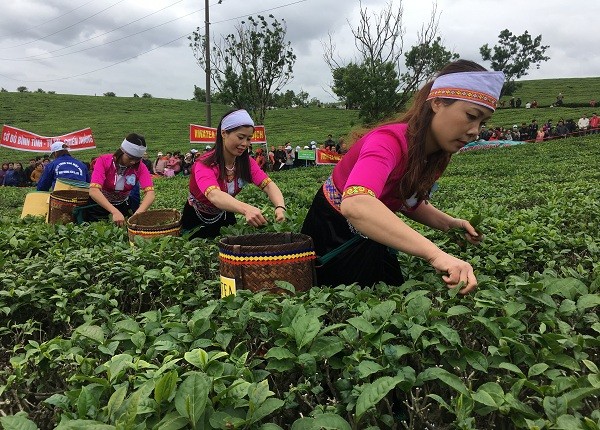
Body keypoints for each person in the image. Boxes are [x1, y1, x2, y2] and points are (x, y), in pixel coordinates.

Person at [301, 59, 504, 294]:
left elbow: (406, 201)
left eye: (482, 122)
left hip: (374, 231)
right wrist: (435, 254)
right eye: (471, 115)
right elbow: (357, 204)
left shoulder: (437, 153)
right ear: (437, 103)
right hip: (333, 232)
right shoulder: (388, 141)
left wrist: (451, 225)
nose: (475, 131)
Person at [181, 109, 286, 240]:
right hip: (196, 219)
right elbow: (214, 195)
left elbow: (268, 185)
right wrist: (246, 209)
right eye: (240, 137)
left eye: (248, 139)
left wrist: (280, 207)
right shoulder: (205, 164)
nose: (245, 144)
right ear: (224, 133)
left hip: (226, 214)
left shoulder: (246, 162)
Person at [81, 133, 155, 226]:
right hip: (99, 206)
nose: (133, 162)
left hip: (123, 205)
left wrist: (137, 214)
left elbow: (150, 194)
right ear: (122, 152)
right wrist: (114, 212)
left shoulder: (140, 167)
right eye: (130, 158)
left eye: (137, 160)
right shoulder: (103, 161)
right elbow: (93, 191)